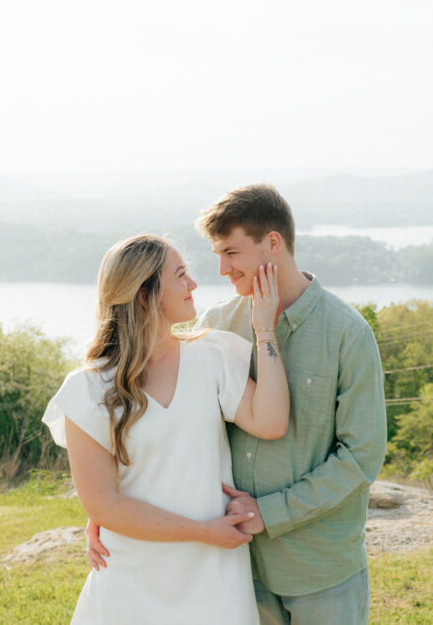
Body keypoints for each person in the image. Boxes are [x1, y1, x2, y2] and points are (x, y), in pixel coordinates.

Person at [89, 184, 387, 624]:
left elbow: (362, 457)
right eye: (217, 255)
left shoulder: (347, 334)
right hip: (233, 568)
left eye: (231, 253)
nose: (223, 269)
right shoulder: (216, 325)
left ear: (272, 243)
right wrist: (110, 510)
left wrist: (270, 512)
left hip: (319, 567)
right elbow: (164, 422)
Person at [42, 234, 290, 624]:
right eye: (180, 276)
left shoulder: (213, 356)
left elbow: (272, 422)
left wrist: (265, 331)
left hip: (214, 579)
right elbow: (103, 504)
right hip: (130, 583)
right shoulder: (87, 389)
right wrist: (203, 531)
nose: (193, 284)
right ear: (145, 295)